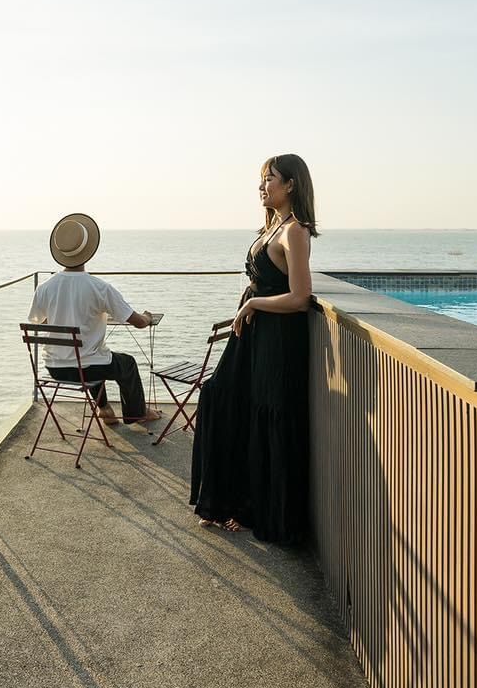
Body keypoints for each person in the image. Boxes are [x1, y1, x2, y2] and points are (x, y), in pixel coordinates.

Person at [189, 153, 317, 542]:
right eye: (262, 181)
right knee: (219, 396)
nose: (262, 187)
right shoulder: (272, 228)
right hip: (256, 335)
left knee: (265, 418)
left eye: (269, 180)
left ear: (290, 184)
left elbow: (299, 297)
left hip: (278, 340)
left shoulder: (295, 231)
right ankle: (230, 500)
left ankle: (253, 511)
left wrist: (253, 303)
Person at [29, 213, 163, 426]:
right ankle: (137, 414)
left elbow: (38, 323)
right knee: (124, 363)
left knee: (93, 354)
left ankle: (106, 411)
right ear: (88, 253)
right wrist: (147, 317)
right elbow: (137, 322)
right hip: (85, 369)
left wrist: (69, 316)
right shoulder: (99, 288)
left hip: (54, 368)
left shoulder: (44, 288)